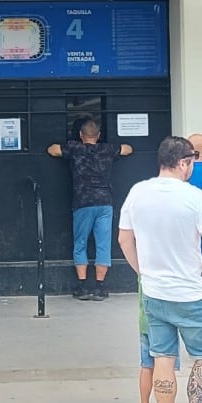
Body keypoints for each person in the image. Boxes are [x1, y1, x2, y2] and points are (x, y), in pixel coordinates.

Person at [118, 136, 202, 403]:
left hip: (154, 293)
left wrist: (142, 271)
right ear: (184, 162)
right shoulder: (193, 197)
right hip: (190, 293)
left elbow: (125, 240)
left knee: (162, 358)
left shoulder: (137, 193)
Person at [47, 119, 132, 301]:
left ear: (80, 135)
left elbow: (52, 150)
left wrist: (70, 145)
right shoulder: (107, 150)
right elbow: (127, 149)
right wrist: (112, 147)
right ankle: (101, 287)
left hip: (83, 202)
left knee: (80, 243)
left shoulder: (75, 149)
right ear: (99, 135)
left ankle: (83, 286)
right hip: (105, 202)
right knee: (103, 244)